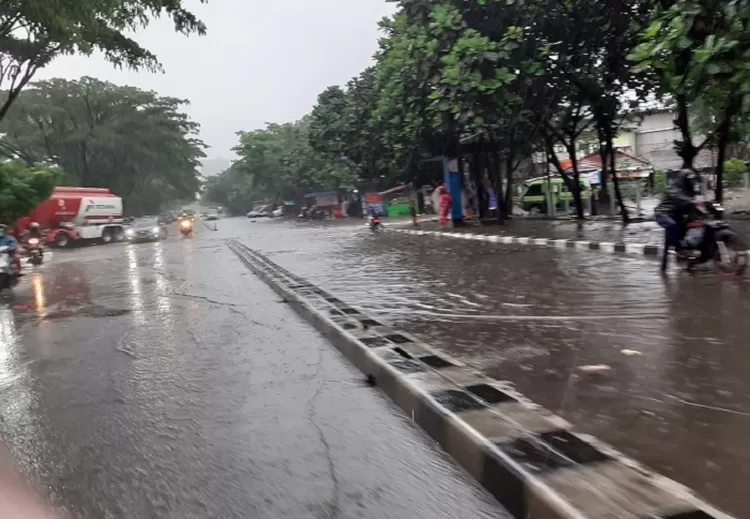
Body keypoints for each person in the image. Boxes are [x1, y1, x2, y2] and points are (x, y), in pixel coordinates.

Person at [654, 168, 700, 256]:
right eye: (689, 180)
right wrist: (693, 202)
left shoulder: (690, 191)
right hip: (663, 213)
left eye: (692, 180)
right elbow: (679, 198)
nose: (691, 182)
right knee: (672, 225)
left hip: (676, 214)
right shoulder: (674, 188)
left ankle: (687, 247)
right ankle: (678, 248)